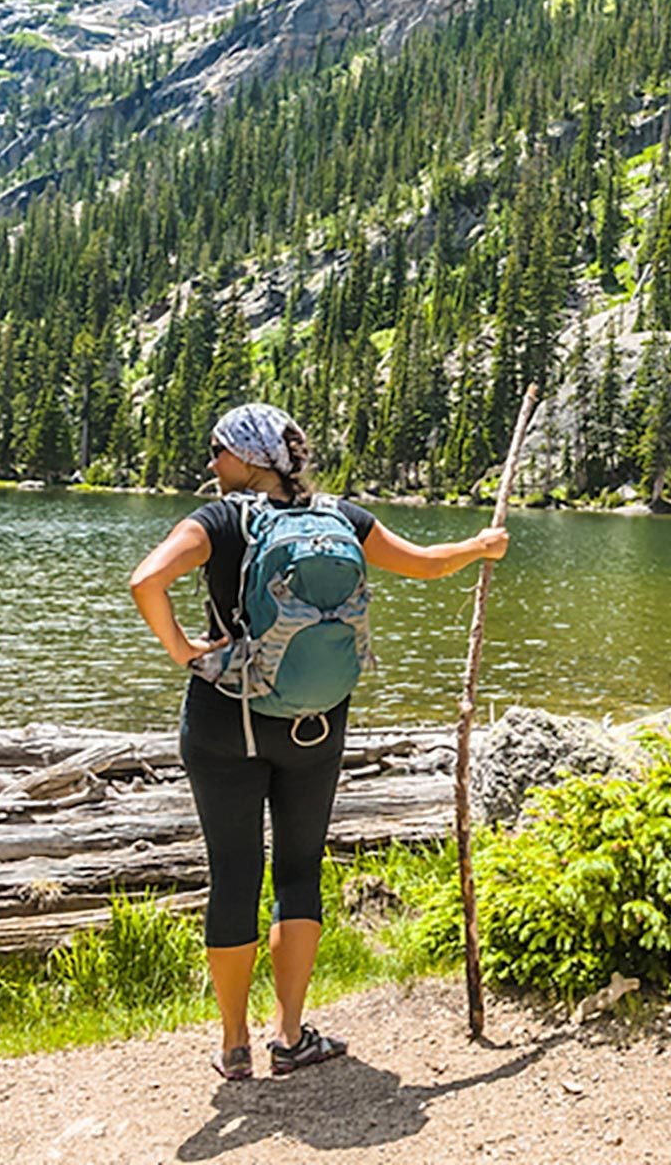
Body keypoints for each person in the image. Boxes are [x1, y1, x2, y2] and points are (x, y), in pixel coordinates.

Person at [129, 402, 507, 1081]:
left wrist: (185, 650)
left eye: (218, 450)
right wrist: (481, 547)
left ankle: (234, 1045)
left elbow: (145, 580)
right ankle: (292, 1035)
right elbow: (423, 566)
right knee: (299, 872)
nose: (211, 463)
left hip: (224, 723)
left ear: (248, 458)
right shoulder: (340, 517)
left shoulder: (220, 518)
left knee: (234, 877)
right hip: (315, 726)